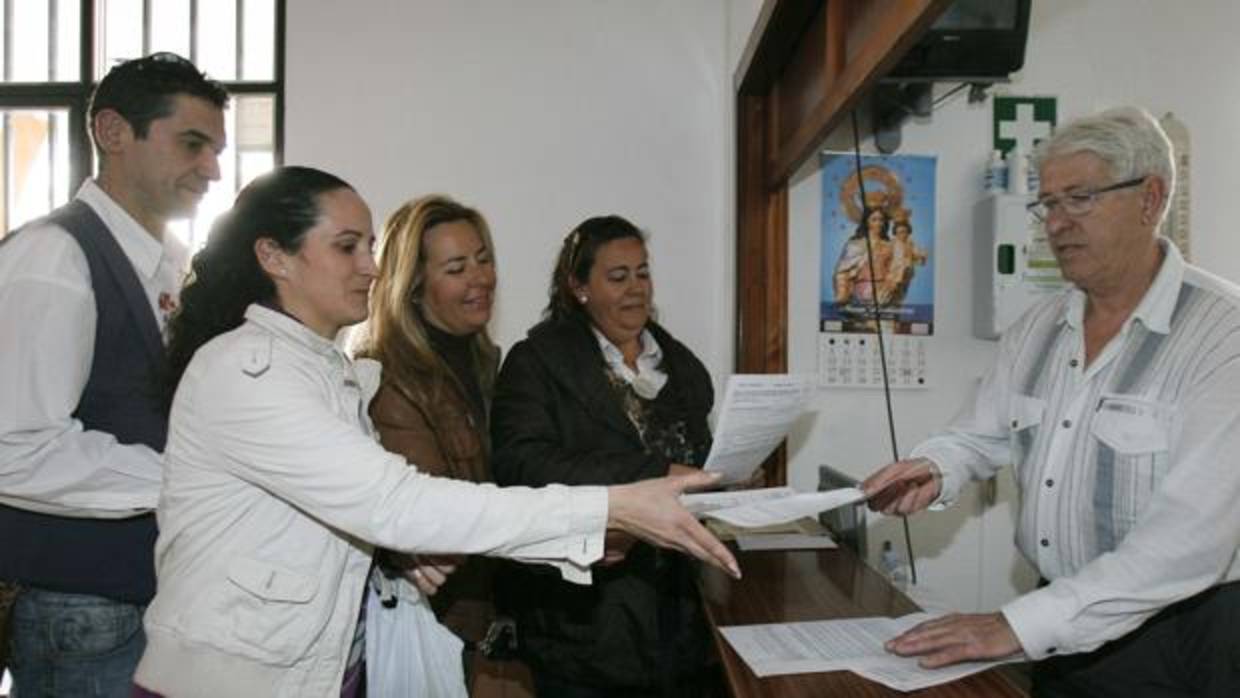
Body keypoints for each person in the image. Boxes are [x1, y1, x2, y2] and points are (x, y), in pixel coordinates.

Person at [131, 167, 738, 698]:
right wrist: (609, 507)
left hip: (314, 671)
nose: (371, 266)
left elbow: (354, 518)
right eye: (347, 248)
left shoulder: (333, 372)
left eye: (369, 246)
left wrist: (398, 557)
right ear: (275, 257)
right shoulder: (247, 372)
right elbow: (398, 502)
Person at [862, 107, 1240, 698]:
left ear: (1151, 198)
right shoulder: (1039, 326)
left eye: (1080, 199)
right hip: (1059, 625)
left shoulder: (1223, 333)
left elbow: (1189, 539)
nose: (1056, 224)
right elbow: (981, 434)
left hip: (1181, 635)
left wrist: (1013, 627)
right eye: (1048, 205)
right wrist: (936, 467)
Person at [0, 52, 227, 697]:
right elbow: (14, 447)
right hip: (81, 608)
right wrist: (186, 481)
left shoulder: (170, 264)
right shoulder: (53, 258)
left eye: (214, 149)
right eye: (192, 144)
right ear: (113, 133)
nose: (211, 168)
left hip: (151, 600)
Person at [490, 215, 721, 697]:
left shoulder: (680, 365)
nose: (636, 289)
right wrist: (656, 473)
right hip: (586, 622)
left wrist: (727, 474)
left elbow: (694, 459)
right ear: (578, 287)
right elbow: (523, 464)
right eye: (618, 277)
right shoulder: (536, 363)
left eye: (642, 273)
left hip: (679, 615)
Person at [356, 194, 533, 695]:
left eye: (484, 259)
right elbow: (436, 519)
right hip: (446, 631)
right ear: (412, 287)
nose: (481, 278)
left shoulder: (489, 364)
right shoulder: (391, 381)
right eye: (457, 268)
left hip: (494, 623)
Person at [833, 207, 894, 306]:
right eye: (874, 219)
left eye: (881, 220)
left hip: (884, 294)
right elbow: (842, 272)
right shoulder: (855, 245)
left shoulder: (890, 246)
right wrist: (842, 294)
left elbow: (894, 271)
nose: (878, 223)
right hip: (861, 292)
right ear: (866, 222)